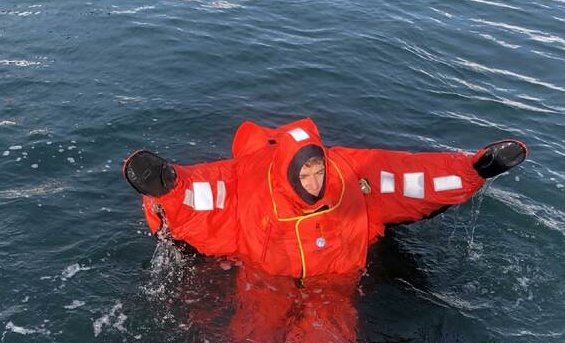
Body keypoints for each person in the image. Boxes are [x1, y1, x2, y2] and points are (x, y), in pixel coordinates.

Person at [123, 118, 526, 282]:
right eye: (304, 173)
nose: (314, 182)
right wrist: (168, 186)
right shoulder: (249, 182)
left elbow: (408, 177)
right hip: (267, 285)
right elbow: (204, 193)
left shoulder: (348, 174)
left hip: (337, 284)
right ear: (283, 169)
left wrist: (474, 169)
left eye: (318, 170)